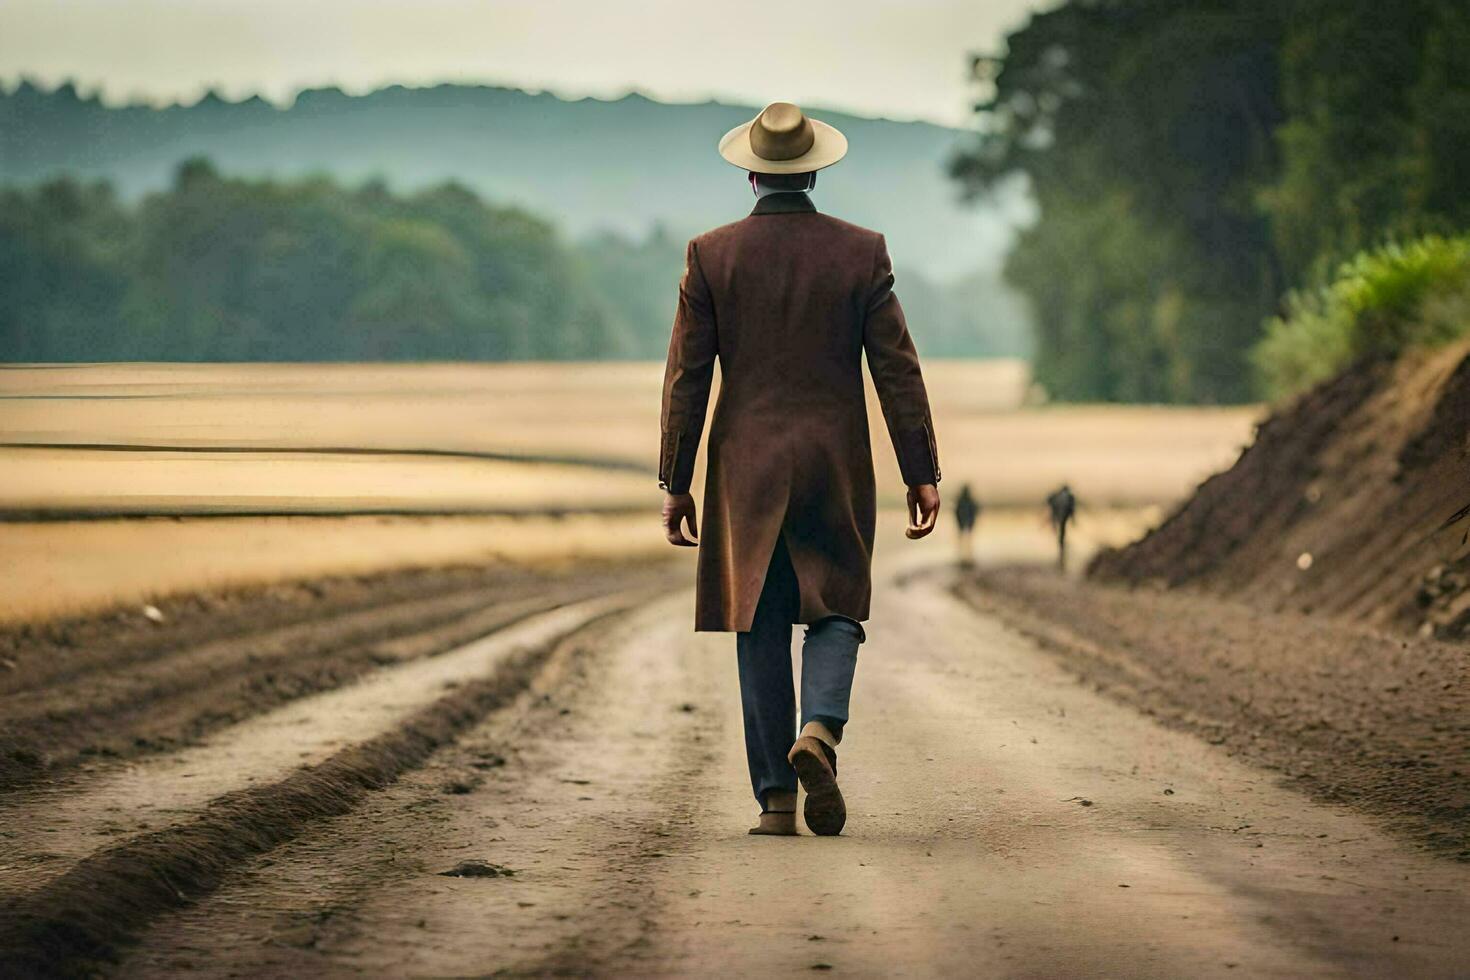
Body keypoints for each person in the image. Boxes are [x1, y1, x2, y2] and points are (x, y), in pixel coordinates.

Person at [658, 102, 941, 837]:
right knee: (838, 607)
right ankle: (820, 729)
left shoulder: (710, 256)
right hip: (833, 462)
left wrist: (675, 480)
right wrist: (921, 469)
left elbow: (688, 378)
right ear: (814, 170)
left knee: (757, 622)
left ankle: (777, 801)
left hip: (745, 468)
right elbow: (897, 370)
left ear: (751, 173)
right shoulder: (861, 252)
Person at [1046, 484, 1076, 571]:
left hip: (1059, 517)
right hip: (1061, 517)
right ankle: (1061, 552)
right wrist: (1073, 520)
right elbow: (1072, 510)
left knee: (1060, 534)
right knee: (1061, 534)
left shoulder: (1058, 497)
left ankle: (1061, 552)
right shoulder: (1068, 498)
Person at [954, 483, 980, 565]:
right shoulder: (964, 501)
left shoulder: (963, 501)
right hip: (964, 523)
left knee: (966, 541)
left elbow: (974, 511)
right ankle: (964, 558)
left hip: (966, 523)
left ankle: (966, 557)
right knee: (965, 541)